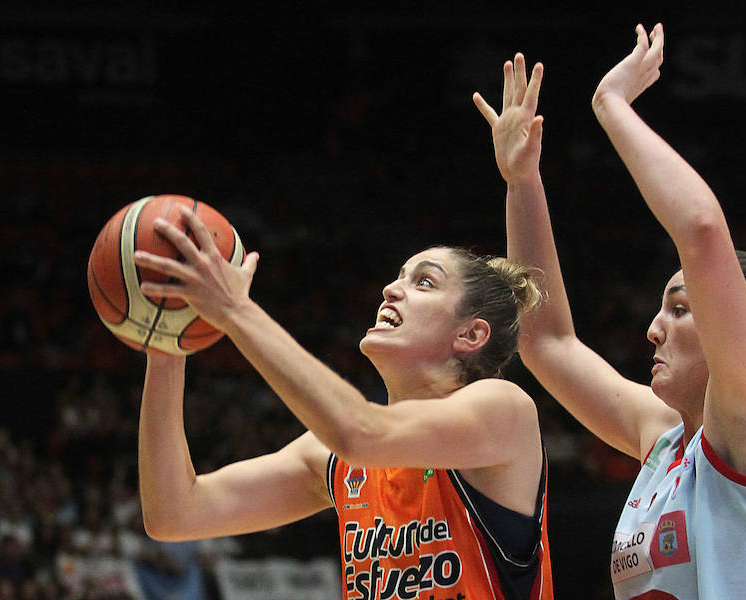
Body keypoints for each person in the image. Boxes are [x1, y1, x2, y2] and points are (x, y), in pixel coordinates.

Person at [474, 24, 746, 598]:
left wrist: (612, 106)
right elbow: (546, 343)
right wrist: (522, 182)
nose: (653, 330)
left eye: (681, 310)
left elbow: (703, 230)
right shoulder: (665, 442)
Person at [131, 171, 554, 595]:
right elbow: (175, 513)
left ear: (470, 335)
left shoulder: (503, 409)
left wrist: (235, 311)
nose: (390, 289)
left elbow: (361, 432)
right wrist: (166, 341)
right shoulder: (334, 455)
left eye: (423, 282)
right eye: (399, 276)